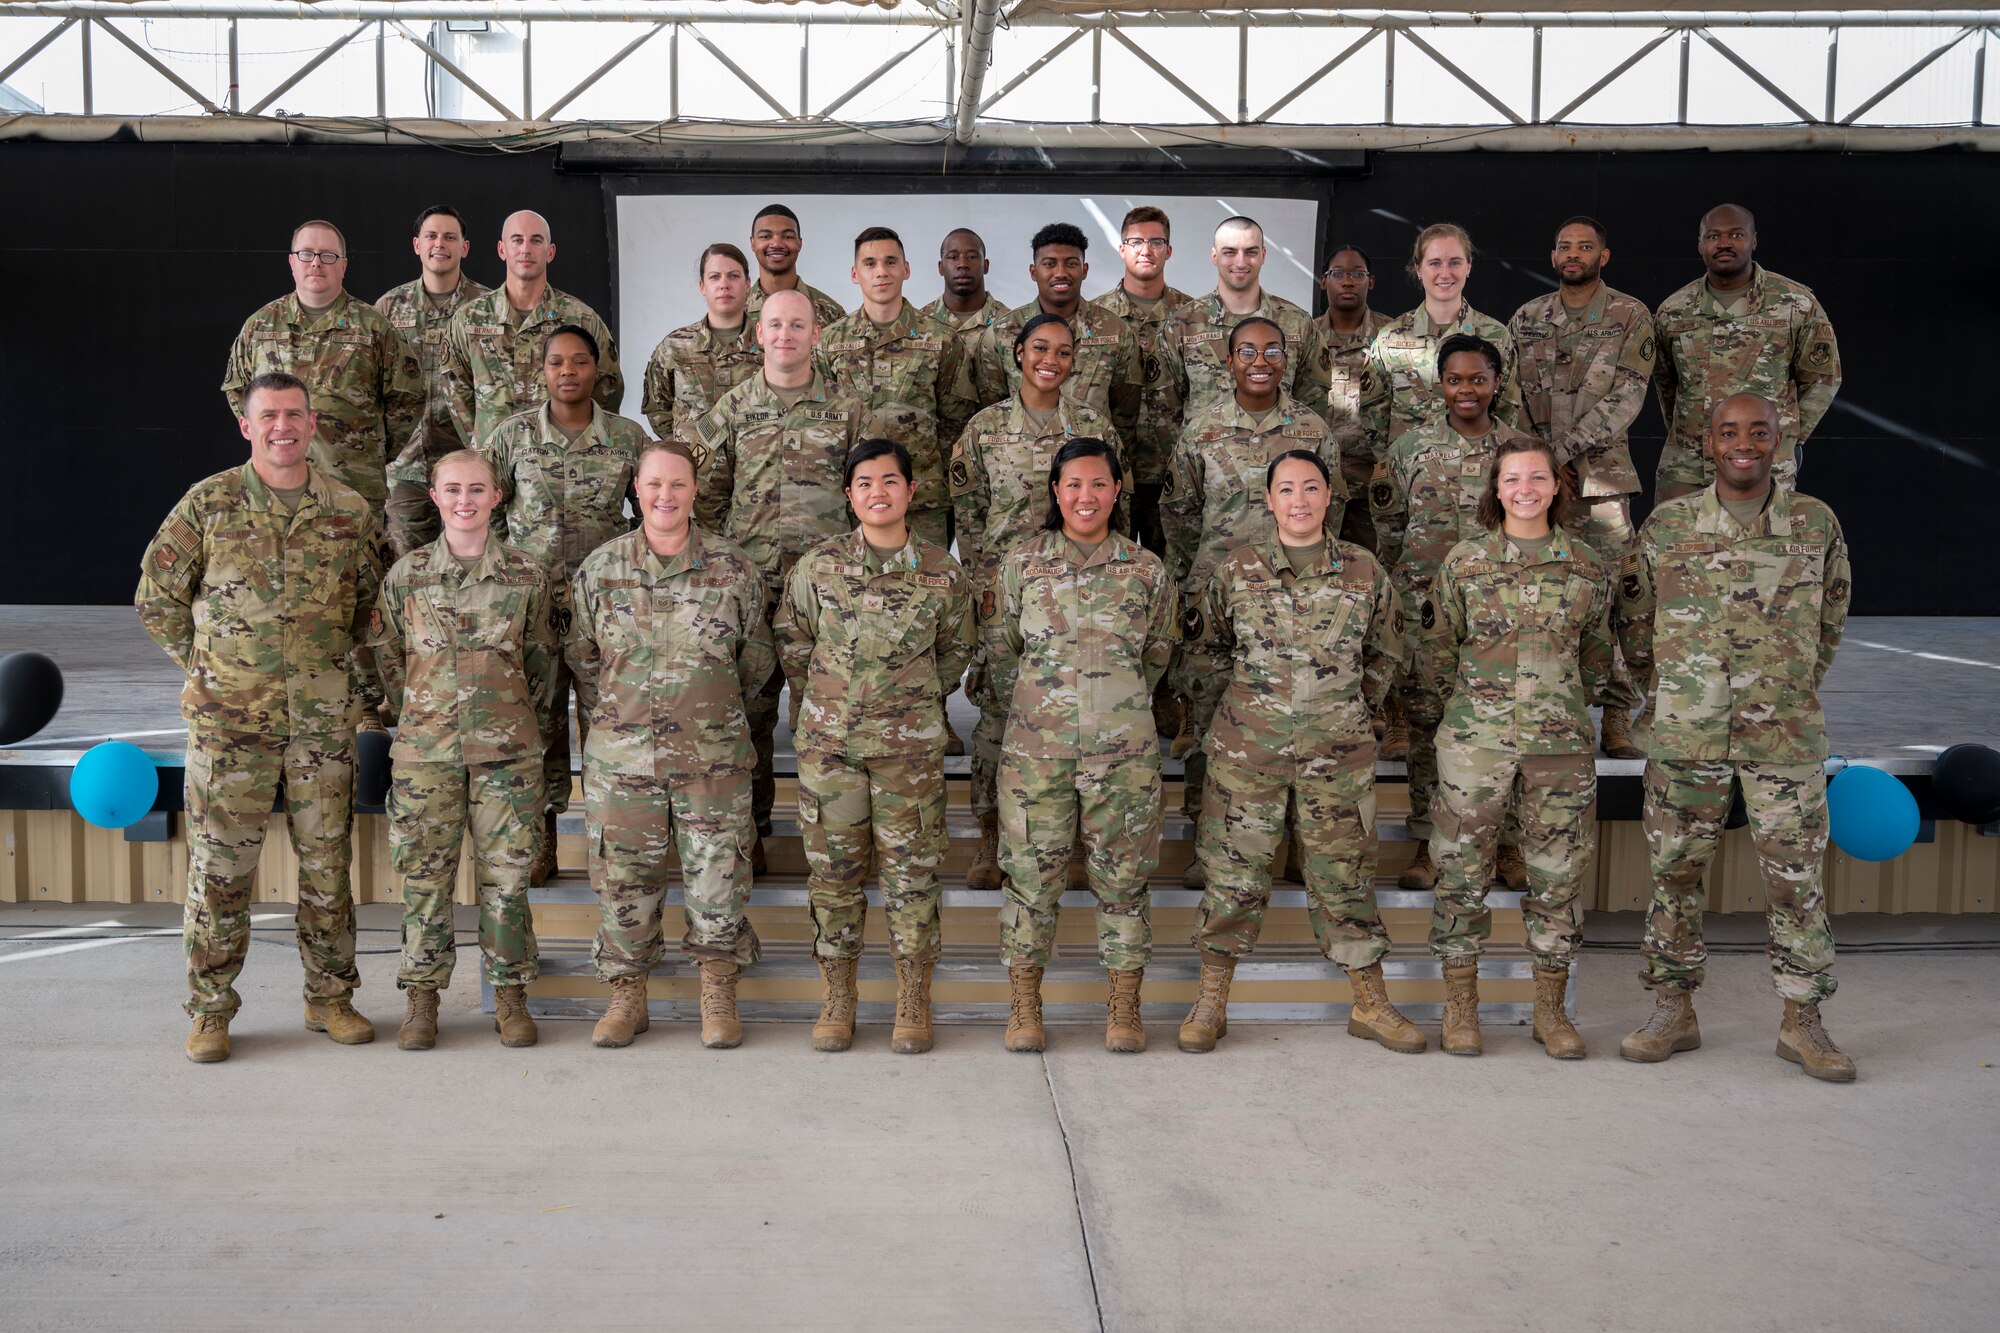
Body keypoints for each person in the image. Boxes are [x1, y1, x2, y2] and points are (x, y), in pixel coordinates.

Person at [137, 371, 384, 1063]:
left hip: (321, 725)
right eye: (269, 415)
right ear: (247, 426)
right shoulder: (208, 503)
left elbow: (374, 607)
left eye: (295, 415)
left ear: (313, 424)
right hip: (229, 725)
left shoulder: (348, 509)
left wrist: (355, 688)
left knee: (328, 867)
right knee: (220, 872)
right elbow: (155, 595)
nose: (283, 426)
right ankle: (211, 1010)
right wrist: (209, 666)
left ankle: (330, 997)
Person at [1614, 392, 1855, 1080]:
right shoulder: (1669, 525)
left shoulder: (1814, 524)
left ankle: (1802, 1018)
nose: (1743, 442)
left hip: (1782, 735)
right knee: (1675, 877)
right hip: (1686, 735)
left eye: (1758, 431)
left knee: (1796, 883)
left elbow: (1831, 616)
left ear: (1780, 440)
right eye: (1729, 432)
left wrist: (1789, 682)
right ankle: (1672, 1009)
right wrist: (1672, 689)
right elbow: (1636, 619)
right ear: (1708, 443)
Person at [1176, 451, 1423, 1055]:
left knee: (1345, 877)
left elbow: (1389, 651)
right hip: (1247, 754)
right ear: (1268, 500)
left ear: (1330, 495)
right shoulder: (1235, 570)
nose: (1300, 500)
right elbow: (1205, 655)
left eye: (1311, 488)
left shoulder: (1363, 569)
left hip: (1337, 756)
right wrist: (1232, 720)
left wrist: (1349, 708)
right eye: (1286, 489)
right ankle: (1211, 1002)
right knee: (1233, 879)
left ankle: (1370, 1002)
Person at [565, 441, 776, 1050]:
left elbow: (757, 660)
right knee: (626, 883)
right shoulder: (601, 571)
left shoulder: (733, 569)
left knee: (718, 881)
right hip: (623, 761)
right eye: (654, 484)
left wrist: (704, 711)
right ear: (636, 487)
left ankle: (717, 991)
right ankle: (627, 996)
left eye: (677, 484)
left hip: (712, 760)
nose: (665, 496)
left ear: (694, 490)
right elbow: (582, 656)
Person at [774, 440, 975, 1055]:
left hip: (909, 754)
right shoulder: (817, 566)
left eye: (890, 480)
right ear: (849, 494)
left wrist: (905, 703)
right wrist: (834, 703)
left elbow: (957, 651)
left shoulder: (942, 571)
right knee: (834, 877)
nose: (877, 492)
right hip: (831, 751)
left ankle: (913, 999)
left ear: (912, 492)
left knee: (912, 878)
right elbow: (794, 641)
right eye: (864, 483)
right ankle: (839, 997)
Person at [989, 440, 1177, 1055]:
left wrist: (1109, 709)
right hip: (1034, 754)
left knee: (1123, 883)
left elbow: (1157, 655)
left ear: (1118, 490)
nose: (1086, 497)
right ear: (1054, 490)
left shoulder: (1145, 570)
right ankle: (1024, 1007)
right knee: (1028, 883)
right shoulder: (1021, 564)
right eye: (1073, 485)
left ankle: (1123, 1010)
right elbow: (1002, 651)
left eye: (1098, 484)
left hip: (1122, 756)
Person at [1427, 437, 1613, 1059]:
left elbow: (1595, 657)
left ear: (1558, 486)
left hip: (1558, 746)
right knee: (1461, 874)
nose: (1525, 489)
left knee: (1557, 877)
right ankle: (1460, 1007)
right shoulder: (1464, 563)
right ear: (1496, 489)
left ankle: (1551, 1012)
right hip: (1475, 744)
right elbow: (1437, 655)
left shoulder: (1588, 566)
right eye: (1513, 479)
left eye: (1538, 477)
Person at [366, 450, 555, 1051]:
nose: (466, 499)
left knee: (508, 882)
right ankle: (422, 1002)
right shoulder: (407, 576)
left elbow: (543, 665)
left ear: (498, 497)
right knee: (426, 883)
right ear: (435, 497)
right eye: (453, 489)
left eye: (478, 488)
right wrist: (424, 713)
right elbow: (389, 660)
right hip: (426, 755)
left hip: (508, 756)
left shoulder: (527, 575)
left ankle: (509, 998)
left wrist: (519, 727)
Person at [695, 289, 881, 868]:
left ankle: (831, 843)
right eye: (774, 325)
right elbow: (708, 498)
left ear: (816, 335)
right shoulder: (730, 409)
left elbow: (870, 505)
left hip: (826, 596)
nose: (785, 335)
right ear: (758, 333)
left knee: (829, 719)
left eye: (797, 325)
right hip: (749, 589)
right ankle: (748, 837)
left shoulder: (850, 411)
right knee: (745, 713)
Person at [1163, 316, 1349, 880]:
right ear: (1229, 359)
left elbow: (1330, 510)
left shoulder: (1312, 429)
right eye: (1248, 350)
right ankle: (1207, 841)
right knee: (1208, 711)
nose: (1261, 359)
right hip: (1218, 597)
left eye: (1273, 349)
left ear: (1287, 358)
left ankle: (1293, 844)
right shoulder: (1203, 428)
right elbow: (1178, 515)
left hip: (1299, 597)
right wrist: (1198, 580)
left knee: (1298, 716)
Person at [949, 314, 1124, 893]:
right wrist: (983, 590)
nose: (1051, 359)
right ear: (1017, 353)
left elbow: (1110, 507)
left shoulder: (1094, 427)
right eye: (1039, 348)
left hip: (1081, 596)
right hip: (1007, 597)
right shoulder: (983, 429)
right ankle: (993, 840)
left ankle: (1070, 844)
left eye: (1064, 351)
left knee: (1079, 720)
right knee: (1000, 717)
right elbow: (968, 518)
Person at [481, 325, 648, 886]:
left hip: (609, 613)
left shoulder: (627, 438)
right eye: (556, 362)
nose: (568, 372)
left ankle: (612, 840)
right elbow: (487, 513)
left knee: (613, 723)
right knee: (539, 725)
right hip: (534, 613)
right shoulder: (513, 436)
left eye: (579, 361)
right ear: (542, 370)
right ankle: (542, 837)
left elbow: (652, 513)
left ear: (598, 370)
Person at [1377, 335, 1541, 894]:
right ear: (1439, 383)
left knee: (1507, 728)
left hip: (1503, 613)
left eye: (1478, 378)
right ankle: (1429, 841)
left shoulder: (1521, 451)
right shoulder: (1410, 447)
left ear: (1497, 383)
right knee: (1427, 726)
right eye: (1455, 379)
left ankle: (1508, 845)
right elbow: (1389, 528)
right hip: (1425, 612)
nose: (1466, 389)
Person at [1508, 215, 1656, 761]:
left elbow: (1629, 396)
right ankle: (1551, 710)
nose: (1574, 254)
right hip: (1536, 490)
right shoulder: (1527, 318)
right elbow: (1512, 396)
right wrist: (1539, 460)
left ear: (1604, 255)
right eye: (1565, 246)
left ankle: (1618, 714)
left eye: (1585, 246)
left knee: (1620, 600)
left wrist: (1560, 451)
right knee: (1544, 600)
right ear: (1553, 257)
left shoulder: (1629, 315)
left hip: (1601, 484)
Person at [222, 218, 425, 523]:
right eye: (306, 254)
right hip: (275, 487)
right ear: (292, 262)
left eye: (328, 256)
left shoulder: (374, 328)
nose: (316, 263)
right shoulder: (260, 327)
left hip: (352, 487)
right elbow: (239, 391)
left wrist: (367, 452)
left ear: (343, 266)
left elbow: (407, 399)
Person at [1652, 204, 1841, 501]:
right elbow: (1666, 384)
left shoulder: (1795, 303)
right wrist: (1691, 434)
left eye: (1736, 235)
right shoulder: (1674, 310)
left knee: (1760, 546)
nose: (1724, 243)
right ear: (1700, 244)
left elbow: (1822, 379)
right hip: (1687, 468)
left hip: (1763, 466)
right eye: (1713, 236)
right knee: (1675, 546)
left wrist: (1787, 439)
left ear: (1753, 241)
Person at [816, 226, 974, 552]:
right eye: (870, 263)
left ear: (906, 269)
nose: (881, 272)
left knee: (926, 594)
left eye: (890, 262)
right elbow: (821, 425)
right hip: (851, 506)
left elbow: (958, 426)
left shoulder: (940, 339)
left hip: (924, 506)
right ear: (854, 274)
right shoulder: (830, 343)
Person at [439, 209, 622, 450]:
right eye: (517, 240)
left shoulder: (581, 319)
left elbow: (608, 388)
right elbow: (455, 390)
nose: (526, 249)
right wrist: (482, 444)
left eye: (536, 240)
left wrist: (581, 443)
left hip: (559, 463)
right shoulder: (469, 320)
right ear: (502, 250)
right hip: (493, 464)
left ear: (550, 252)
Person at [377, 204, 494, 556]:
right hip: (406, 466)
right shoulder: (388, 308)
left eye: (449, 237)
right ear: (417, 245)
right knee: (407, 568)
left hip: (467, 464)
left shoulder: (486, 308)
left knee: (469, 560)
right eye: (431, 236)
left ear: (464, 247)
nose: (439, 244)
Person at [961, 222, 1143, 448]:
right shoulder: (1001, 333)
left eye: (1071, 263)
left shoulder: (1115, 331)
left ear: (1084, 271)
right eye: (1049, 264)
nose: (1061, 273)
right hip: (1019, 466)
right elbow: (991, 405)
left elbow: (1125, 412)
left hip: (1091, 464)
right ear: (1033, 271)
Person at [1358, 222, 1520, 460]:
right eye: (1435, 263)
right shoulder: (1391, 338)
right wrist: (1394, 461)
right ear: (1418, 269)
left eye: (1455, 262)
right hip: (1409, 473)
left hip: (1477, 471)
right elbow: (1371, 411)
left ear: (1469, 267)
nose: (1445, 273)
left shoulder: (1494, 336)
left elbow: (1507, 409)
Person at [1162, 215, 1333, 432]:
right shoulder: (1182, 325)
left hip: (1281, 459)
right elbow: (1165, 411)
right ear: (1214, 256)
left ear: (1263, 255)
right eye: (1230, 252)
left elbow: (1312, 404)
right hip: (1205, 461)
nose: (1241, 262)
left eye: (1251, 252)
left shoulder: (1297, 323)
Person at [1089, 205, 1191, 556]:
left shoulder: (1195, 318)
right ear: (1122, 248)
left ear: (1169, 250)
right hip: (1110, 471)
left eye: (1156, 242)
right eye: (1135, 241)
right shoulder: (1094, 319)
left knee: (1175, 572)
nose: (1145, 250)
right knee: (1110, 576)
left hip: (1174, 472)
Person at [641, 242, 762, 446]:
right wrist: (686, 443)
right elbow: (657, 408)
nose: (724, 284)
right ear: (702, 286)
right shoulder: (675, 347)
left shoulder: (770, 344)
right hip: (696, 470)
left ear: (748, 283)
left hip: (753, 468)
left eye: (733, 276)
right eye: (715, 277)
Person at [1315, 244, 1392, 552]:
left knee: (1372, 569)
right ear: (1324, 281)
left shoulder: (1393, 336)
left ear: (1370, 281)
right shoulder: (1306, 336)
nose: (1348, 282)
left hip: (1375, 482)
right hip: (1318, 481)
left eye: (1357, 274)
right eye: (1338, 274)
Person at [742, 203, 847, 328]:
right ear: (752, 243)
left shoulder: (830, 313)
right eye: (765, 236)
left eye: (788, 237)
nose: (776, 244)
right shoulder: (736, 310)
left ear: (799, 243)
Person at [924, 227, 1009, 344]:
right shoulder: (918, 323)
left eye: (972, 257)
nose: (962, 264)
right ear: (941, 267)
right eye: (953, 257)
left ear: (986, 265)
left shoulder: (1011, 323)